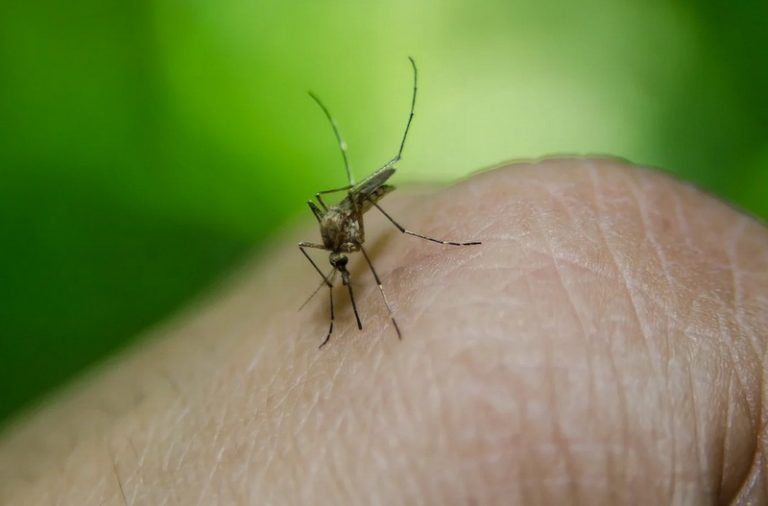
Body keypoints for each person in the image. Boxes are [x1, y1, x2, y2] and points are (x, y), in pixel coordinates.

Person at [1, 158, 766, 504]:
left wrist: (392, 238)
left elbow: (349, 240)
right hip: (345, 222)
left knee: (362, 251)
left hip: (361, 204)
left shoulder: (352, 228)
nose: (337, 263)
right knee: (340, 258)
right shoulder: (330, 245)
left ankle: (416, 245)